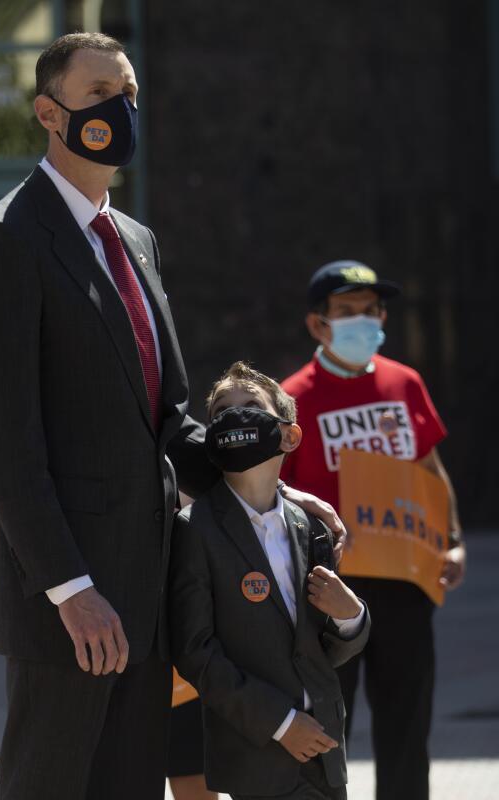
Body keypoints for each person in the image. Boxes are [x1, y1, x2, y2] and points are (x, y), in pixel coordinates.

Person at [0, 32, 345, 800]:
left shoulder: (136, 240)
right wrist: (71, 589)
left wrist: (272, 492)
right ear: (47, 112)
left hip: (150, 589)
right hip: (71, 604)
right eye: (98, 93)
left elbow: (167, 421)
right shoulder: (4, 239)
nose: (120, 108)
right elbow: (3, 439)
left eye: (127, 91)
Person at [279, 261, 464, 800]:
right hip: (330, 589)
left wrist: (451, 542)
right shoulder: (292, 398)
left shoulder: (404, 383)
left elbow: (430, 468)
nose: (363, 321)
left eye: (371, 312)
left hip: (405, 582)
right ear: (318, 324)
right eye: (347, 313)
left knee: (407, 725)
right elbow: (277, 492)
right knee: (327, 730)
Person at [171, 362, 371, 800]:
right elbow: (195, 652)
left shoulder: (310, 527)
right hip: (255, 754)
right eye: (223, 410)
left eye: (251, 407)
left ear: (289, 435)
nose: (236, 417)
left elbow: (325, 648)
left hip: (323, 749)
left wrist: (351, 617)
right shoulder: (194, 529)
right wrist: (281, 723)